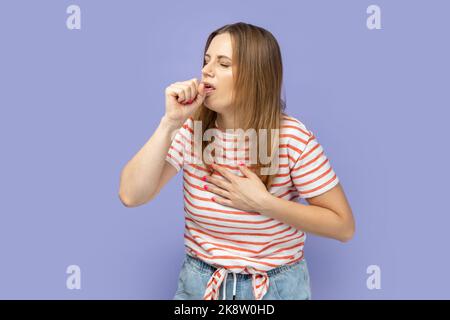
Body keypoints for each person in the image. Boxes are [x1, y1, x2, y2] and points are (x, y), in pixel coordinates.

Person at [118, 22, 355, 300]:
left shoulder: (292, 138)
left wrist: (263, 203)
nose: (206, 70)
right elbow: (131, 195)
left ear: (256, 76)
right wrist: (169, 123)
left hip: (275, 289)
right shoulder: (191, 129)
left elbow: (343, 226)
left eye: (223, 64)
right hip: (200, 284)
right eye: (206, 61)